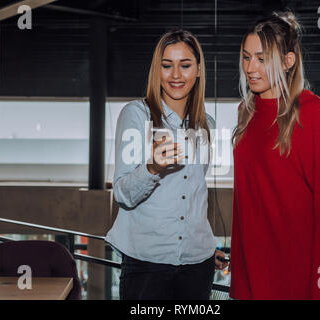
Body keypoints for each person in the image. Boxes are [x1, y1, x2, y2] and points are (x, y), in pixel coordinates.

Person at [229, 12, 320, 299]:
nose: (251, 67)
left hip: (304, 279)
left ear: (288, 61)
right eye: (246, 56)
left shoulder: (311, 112)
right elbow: (243, 208)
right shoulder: (245, 113)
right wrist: (240, 283)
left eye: (262, 59)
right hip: (256, 278)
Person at [105, 29, 229, 300]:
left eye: (185, 65)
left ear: (198, 70)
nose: (176, 75)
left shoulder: (207, 126)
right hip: (146, 264)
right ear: (156, 70)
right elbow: (123, 194)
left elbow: (193, 196)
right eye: (167, 65)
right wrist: (151, 168)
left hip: (198, 265)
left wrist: (206, 248)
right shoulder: (136, 115)